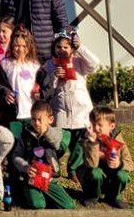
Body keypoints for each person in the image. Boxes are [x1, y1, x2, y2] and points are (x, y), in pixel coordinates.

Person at [40, 31, 100, 180]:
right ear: (54, 48)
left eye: (66, 47)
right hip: (60, 111)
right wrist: (54, 77)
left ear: (72, 49)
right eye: (58, 47)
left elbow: (95, 64)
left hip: (81, 111)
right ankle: (52, 162)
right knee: (59, 141)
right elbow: (46, 88)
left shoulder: (79, 62)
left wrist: (80, 48)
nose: (62, 50)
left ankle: (73, 169)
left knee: (80, 144)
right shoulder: (49, 65)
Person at [10, 100, 75, 210]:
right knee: (38, 205)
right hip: (32, 178)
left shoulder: (56, 133)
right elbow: (16, 157)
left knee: (68, 206)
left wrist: (46, 132)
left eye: (40, 120)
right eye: (33, 119)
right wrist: (26, 167)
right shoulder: (25, 135)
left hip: (49, 179)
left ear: (50, 119)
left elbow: (57, 143)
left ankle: (47, 195)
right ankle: (28, 192)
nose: (37, 123)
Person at [79, 105, 134, 209]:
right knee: (96, 173)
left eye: (100, 125)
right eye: (93, 124)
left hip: (110, 176)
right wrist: (92, 143)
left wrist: (119, 164)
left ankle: (113, 197)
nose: (96, 128)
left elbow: (130, 163)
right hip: (92, 176)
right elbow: (91, 164)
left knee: (122, 175)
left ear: (111, 126)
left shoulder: (117, 140)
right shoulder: (87, 139)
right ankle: (92, 197)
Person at [0, 26, 41, 138]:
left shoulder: (35, 66)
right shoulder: (4, 64)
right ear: (11, 46)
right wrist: (5, 93)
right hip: (13, 115)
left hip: (31, 114)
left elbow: (45, 86)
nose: (20, 49)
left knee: (30, 147)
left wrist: (41, 94)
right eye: (17, 46)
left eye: (24, 46)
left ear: (29, 47)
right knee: (15, 144)